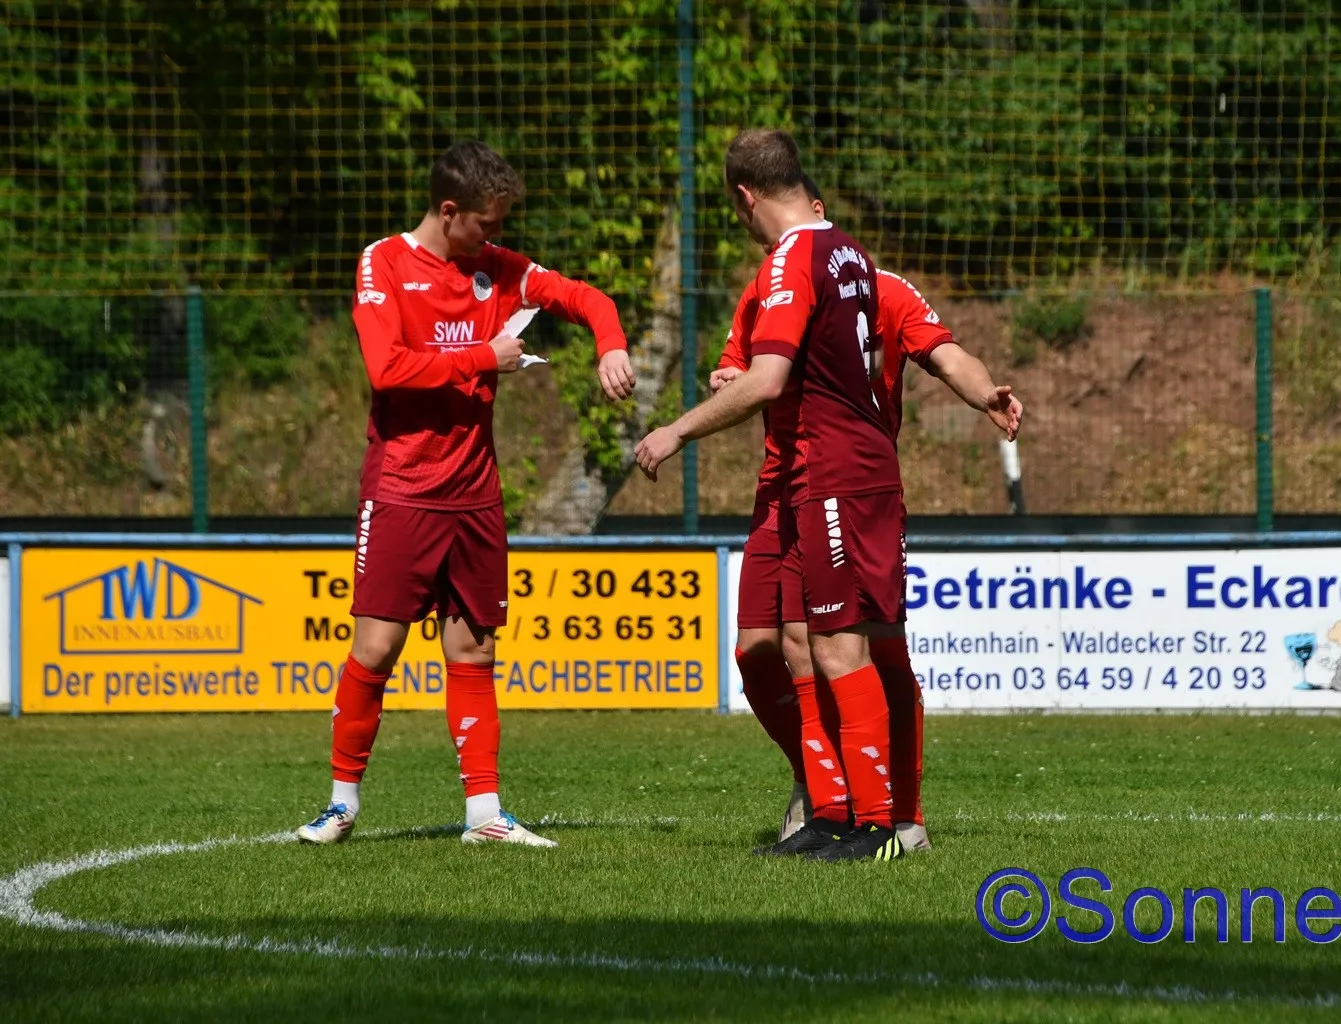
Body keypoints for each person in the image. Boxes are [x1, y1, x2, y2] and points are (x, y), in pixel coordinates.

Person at [297, 140, 635, 847]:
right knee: (377, 648)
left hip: (475, 494)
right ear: (449, 211)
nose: (496, 236)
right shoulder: (384, 263)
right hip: (402, 487)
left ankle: (484, 816)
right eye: (487, 223)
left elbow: (585, 297)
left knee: (475, 651)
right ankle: (340, 804)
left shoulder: (499, 268)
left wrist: (610, 344)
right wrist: (485, 356)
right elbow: (387, 369)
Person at [714, 178, 1022, 855]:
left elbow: (948, 355)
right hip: (781, 486)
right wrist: (729, 379)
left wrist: (985, 395)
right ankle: (822, 782)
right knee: (759, 648)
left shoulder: (885, 290)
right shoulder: (769, 285)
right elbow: (737, 366)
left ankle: (897, 815)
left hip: (849, 483)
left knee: (869, 647)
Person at [636, 129, 904, 861]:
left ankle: (878, 825)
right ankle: (832, 812)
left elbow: (770, 379)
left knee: (839, 646)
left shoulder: (793, 256)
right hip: (825, 467)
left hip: (833, 469)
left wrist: (676, 430)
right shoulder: (848, 250)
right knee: (798, 644)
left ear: (744, 196)